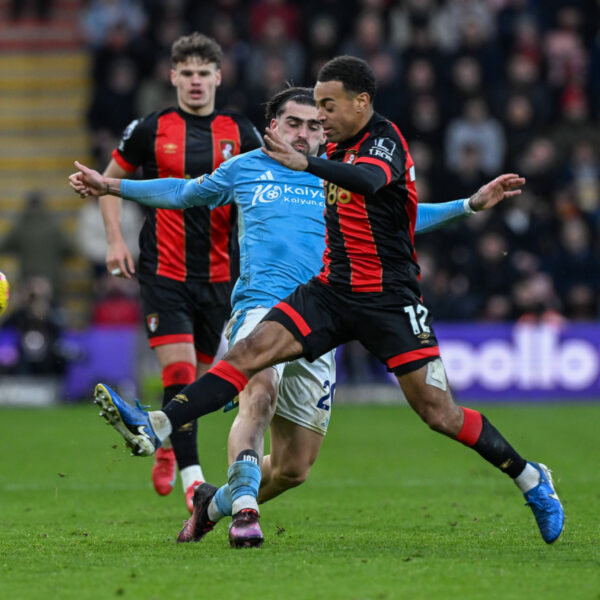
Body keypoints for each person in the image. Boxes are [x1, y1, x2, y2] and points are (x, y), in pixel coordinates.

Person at [69, 66, 563, 551]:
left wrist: (467, 206)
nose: (316, 124)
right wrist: (113, 186)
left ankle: (529, 475)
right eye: (303, 118)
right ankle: (158, 427)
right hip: (320, 292)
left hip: (388, 300)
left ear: (359, 103)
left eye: (324, 111)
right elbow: (183, 190)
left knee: (418, 420)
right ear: (274, 127)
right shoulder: (256, 165)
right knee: (250, 366)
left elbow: (385, 196)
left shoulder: (375, 145)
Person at [95, 32, 262, 512]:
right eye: (185, 73)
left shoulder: (240, 132)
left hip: (220, 275)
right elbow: (109, 182)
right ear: (172, 77)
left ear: (218, 77)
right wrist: (114, 240)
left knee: (195, 382)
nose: (194, 81)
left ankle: (163, 441)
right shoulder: (150, 128)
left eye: (203, 73)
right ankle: (194, 480)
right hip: (163, 270)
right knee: (181, 367)